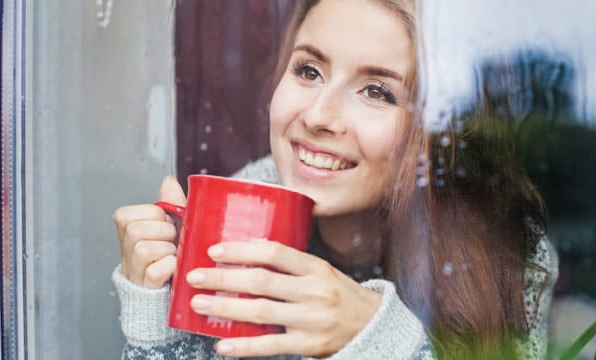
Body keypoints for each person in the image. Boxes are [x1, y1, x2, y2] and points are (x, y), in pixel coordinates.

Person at [111, 0, 558, 359]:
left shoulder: (512, 257)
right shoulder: (246, 209)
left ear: (440, 134)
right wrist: (155, 316)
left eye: (377, 91)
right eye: (309, 70)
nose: (319, 116)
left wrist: (379, 340)